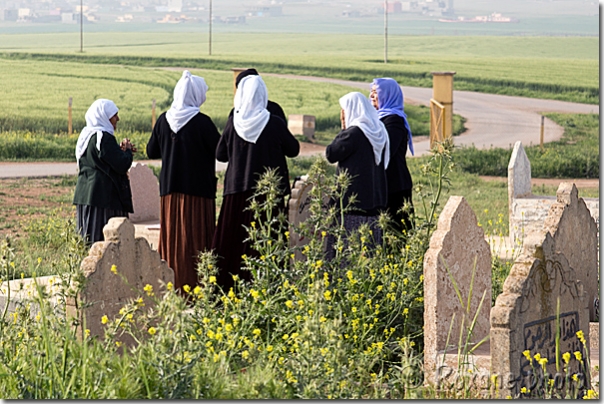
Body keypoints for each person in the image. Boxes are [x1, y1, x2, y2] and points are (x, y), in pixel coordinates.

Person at [213, 75, 300, 292]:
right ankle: (266, 289)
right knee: (266, 241)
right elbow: (294, 149)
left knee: (233, 241)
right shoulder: (274, 122)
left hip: (235, 191)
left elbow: (220, 154)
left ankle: (226, 291)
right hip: (268, 193)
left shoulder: (234, 121)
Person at [146, 70, 220, 293]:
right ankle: (196, 289)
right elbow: (220, 151)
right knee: (195, 239)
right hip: (197, 192)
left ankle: (171, 286)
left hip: (169, 190)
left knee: (173, 239)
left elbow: (151, 151)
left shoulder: (163, 120)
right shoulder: (202, 123)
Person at [325, 91, 389, 256]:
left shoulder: (353, 134)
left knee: (347, 256)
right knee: (369, 256)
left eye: (344, 110)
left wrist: (343, 128)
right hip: (375, 204)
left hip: (352, 205)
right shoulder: (378, 130)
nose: (343, 114)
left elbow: (331, 153)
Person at [73, 99, 135, 244]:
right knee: (103, 243)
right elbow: (121, 164)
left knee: (87, 239)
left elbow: (103, 159)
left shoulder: (87, 136)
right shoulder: (104, 137)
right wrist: (128, 151)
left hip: (86, 196)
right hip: (103, 198)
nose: (117, 119)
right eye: (114, 115)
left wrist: (119, 151)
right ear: (104, 117)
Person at [370, 78, 414, 233]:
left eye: (376, 93)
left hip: (395, 186)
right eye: (371, 92)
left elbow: (385, 148)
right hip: (385, 185)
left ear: (387, 95)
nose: (371, 96)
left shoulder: (394, 121)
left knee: (398, 232)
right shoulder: (378, 119)